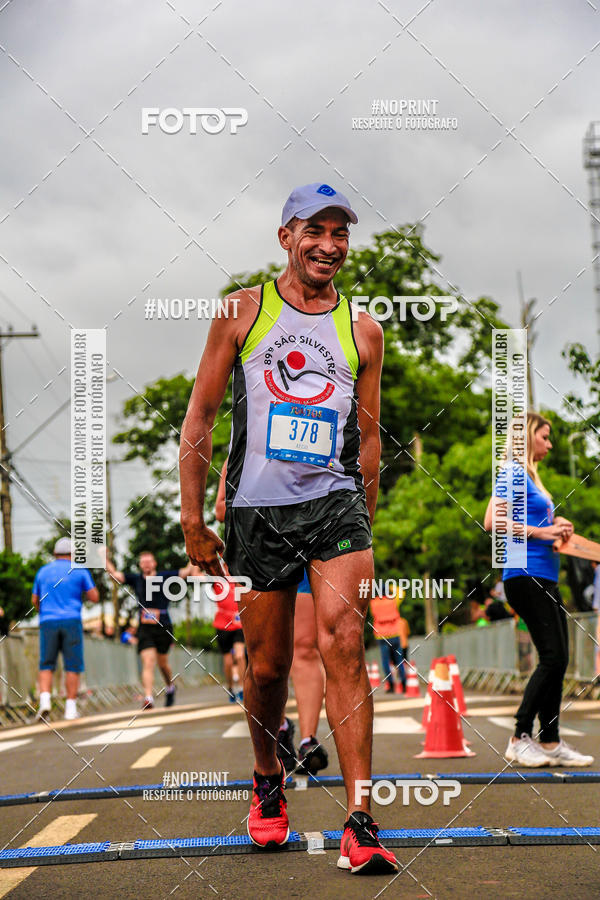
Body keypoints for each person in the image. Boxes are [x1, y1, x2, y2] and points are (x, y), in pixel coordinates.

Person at [180, 183, 398, 874]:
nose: (329, 245)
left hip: (334, 507)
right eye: (316, 230)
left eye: (341, 234)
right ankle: (267, 779)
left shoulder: (364, 329)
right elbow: (201, 421)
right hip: (256, 511)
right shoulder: (243, 311)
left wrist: (365, 513)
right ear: (285, 237)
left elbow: (367, 438)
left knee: (344, 640)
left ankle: (359, 819)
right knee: (268, 666)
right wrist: (192, 519)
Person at [485, 411, 593, 767]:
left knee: (558, 659)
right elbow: (492, 521)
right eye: (545, 437)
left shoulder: (531, 476)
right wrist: (542, 532)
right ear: (528, 436)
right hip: (525, 575)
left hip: (543, 576)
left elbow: (528, 520)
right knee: (553, 658)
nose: (549, 444)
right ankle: (519, 736)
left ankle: (550, 741)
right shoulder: (514, 471)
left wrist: (556, 524)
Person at [218, 462, 328, 773]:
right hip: (262, 548)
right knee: (266, 659)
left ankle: (308, 740)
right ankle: (278, 729)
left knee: (306, 647)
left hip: (310, 543)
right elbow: (221, 509)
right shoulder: (246, 439)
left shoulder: (320, 426)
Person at [106, 552, 197, 709]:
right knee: (148, 661)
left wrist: (195, 553)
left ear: (154, 564)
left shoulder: (165, 576)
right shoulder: (136, 579)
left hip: (163, 626)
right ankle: (148, 697)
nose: (146, 564)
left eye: (149, 561)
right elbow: (115, 575)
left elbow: (186, 572)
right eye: (143, 562)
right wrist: (104, 558)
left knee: (163, 664)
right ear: (140, 565)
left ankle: (170, 687)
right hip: (145, 627)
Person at [32, 537, 99, 720]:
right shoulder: (79, 570)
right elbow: (94, 597)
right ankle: (70, 708)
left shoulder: (42, 572)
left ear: (55, 554)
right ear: (72, 554)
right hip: (71, 620)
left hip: (48, 621)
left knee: (46, 663)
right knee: (73, 665)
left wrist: (46, 610)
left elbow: (35, 601)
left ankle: (45, 701)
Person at [370, 588, 409, 693]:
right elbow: (401, 592)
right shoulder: (393, 600)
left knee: (386, 662)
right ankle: (404, 684)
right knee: (400, 660)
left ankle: (391, 685)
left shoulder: (373, 603)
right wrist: (391, 587)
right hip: (395, 635)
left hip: (382, 637)